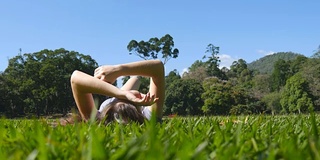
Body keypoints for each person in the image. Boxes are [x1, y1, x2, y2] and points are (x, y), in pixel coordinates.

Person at [68, 59, 165, 124]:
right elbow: (158, 67)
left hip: (116, 100)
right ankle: (136, 78)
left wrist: (122, 94)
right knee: (136, 79)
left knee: (135, 80)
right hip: (121, 102)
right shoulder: (149, 118)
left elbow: (75, 78)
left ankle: (134, 80)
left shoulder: (98, 119)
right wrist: (118, 70)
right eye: (130, 102)